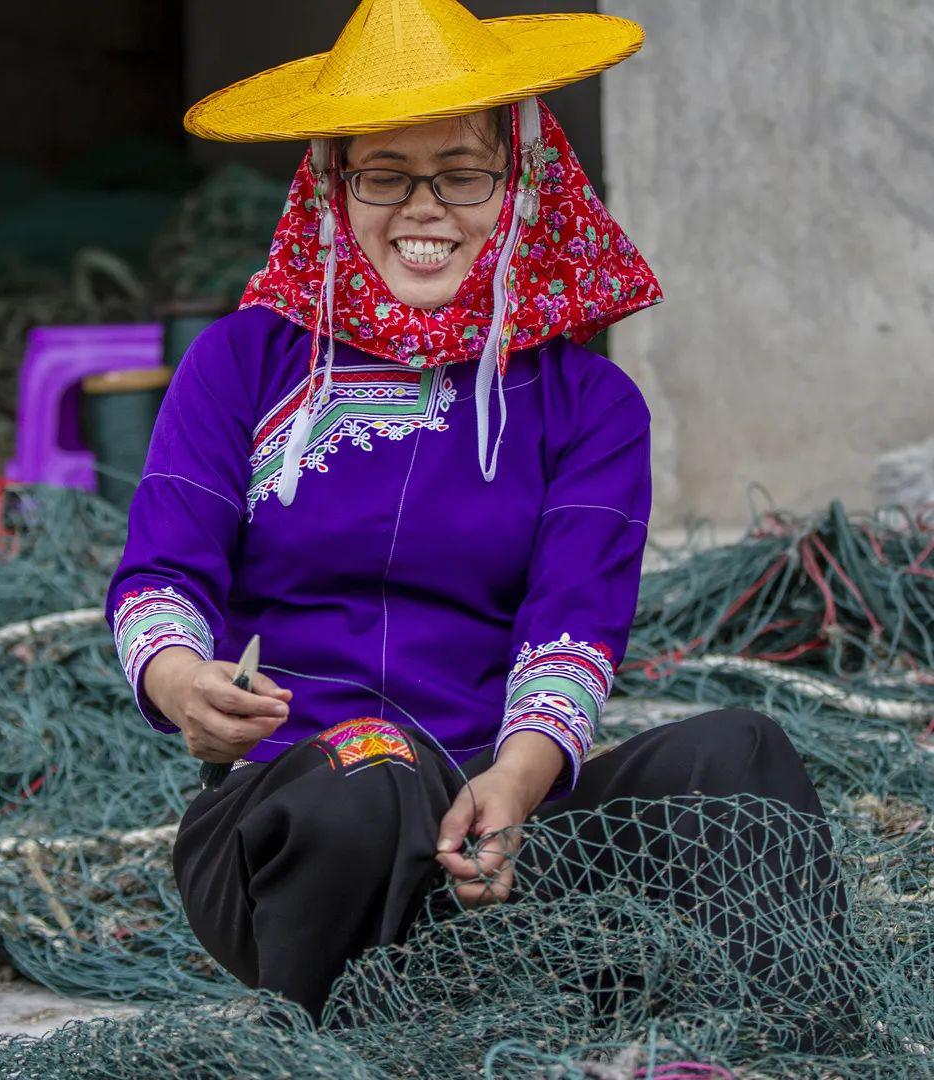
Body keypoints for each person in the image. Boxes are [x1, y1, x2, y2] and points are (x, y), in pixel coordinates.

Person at [105, 0, 847, 1033]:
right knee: (371, 774)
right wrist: (181, 683)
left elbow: (572, 632)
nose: (425, 210)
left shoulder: (589, 406)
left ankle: (788, 1040)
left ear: (521, 183)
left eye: (461, 173)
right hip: (297, 831)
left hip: (502, 826)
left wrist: (517, 782)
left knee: (740, 757)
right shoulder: (240, 362)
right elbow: (161, 578)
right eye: (384, 175)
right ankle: (332, 1036)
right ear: (331, 185)